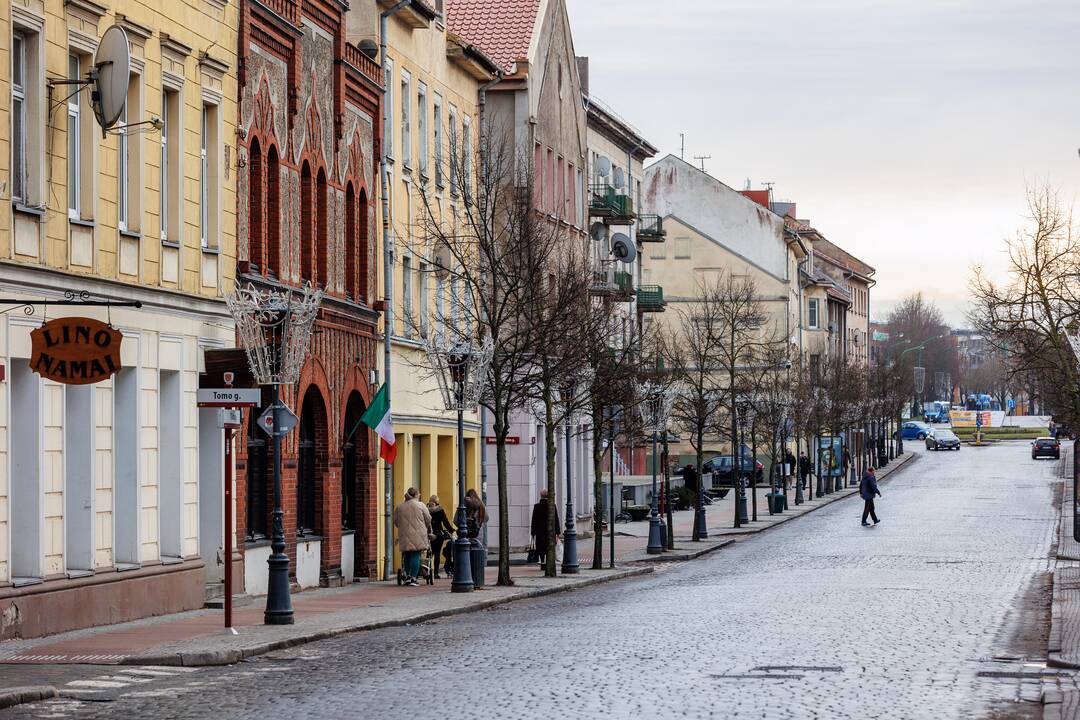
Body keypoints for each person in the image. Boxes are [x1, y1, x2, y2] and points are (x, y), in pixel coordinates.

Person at [393, 487, 432, 586]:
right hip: (418, 534)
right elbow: (428, 519)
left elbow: (396, 521)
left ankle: (407, 576)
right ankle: (413, 578)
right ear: (416, 494)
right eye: (419, 494)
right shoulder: (421, 505)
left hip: (404, 533)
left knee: (407, 554)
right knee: (415, 553)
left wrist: (403, 528)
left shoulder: (399, 507)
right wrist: (425, 526)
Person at [530, 489, 561, 568]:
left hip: (540, 531)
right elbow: (556, 519)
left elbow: (534, 520)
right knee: (549, 546)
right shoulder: (552, 506)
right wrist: (557, 531)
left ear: (541, 496)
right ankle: (549, 562)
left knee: (540, 547)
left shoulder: (537, 506)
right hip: (550, 531)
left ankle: (542, 562)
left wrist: (533, 532)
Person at [427, 495, 455, 579]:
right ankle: (435, 573)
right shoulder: (440, 510)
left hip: (429, 534)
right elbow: (445, 522)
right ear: (437, 502)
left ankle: (427, 572)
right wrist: (452, 530)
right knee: (437, 553)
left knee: (429, 553)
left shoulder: (426, 510)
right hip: (439, 535)